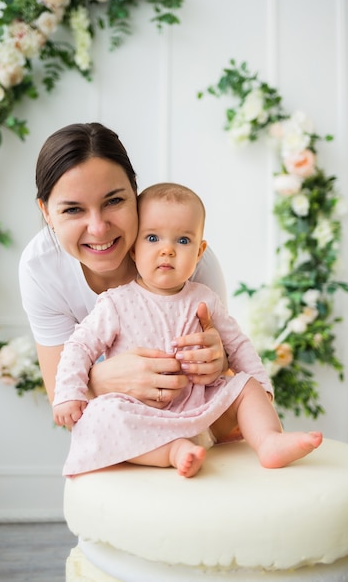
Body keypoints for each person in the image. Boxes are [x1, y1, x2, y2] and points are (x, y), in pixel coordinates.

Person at [52, 182, 323, 478]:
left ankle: (268, 441)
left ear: (199, 251)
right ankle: (172, 450)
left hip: (199, 404)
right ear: (133, 249)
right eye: (153, 238)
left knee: (245, 386)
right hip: (141, 411)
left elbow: (237, 345)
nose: (167, 250)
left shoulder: (204, 298)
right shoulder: (115, 303)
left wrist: (261, 385)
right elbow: (79, 347)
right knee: (100, 415)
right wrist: (69, 392)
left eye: (182, 241)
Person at [19, 122, 238, 442]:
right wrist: (102, 379)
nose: (98, 228)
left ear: (134, 192)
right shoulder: (42, 269)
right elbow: (63, 403)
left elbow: (226, 381)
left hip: (192, 423)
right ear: (47, 212)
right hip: (117, 432)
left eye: (113, 201)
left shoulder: (185, 258)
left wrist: (218, 362)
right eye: (73, 209)